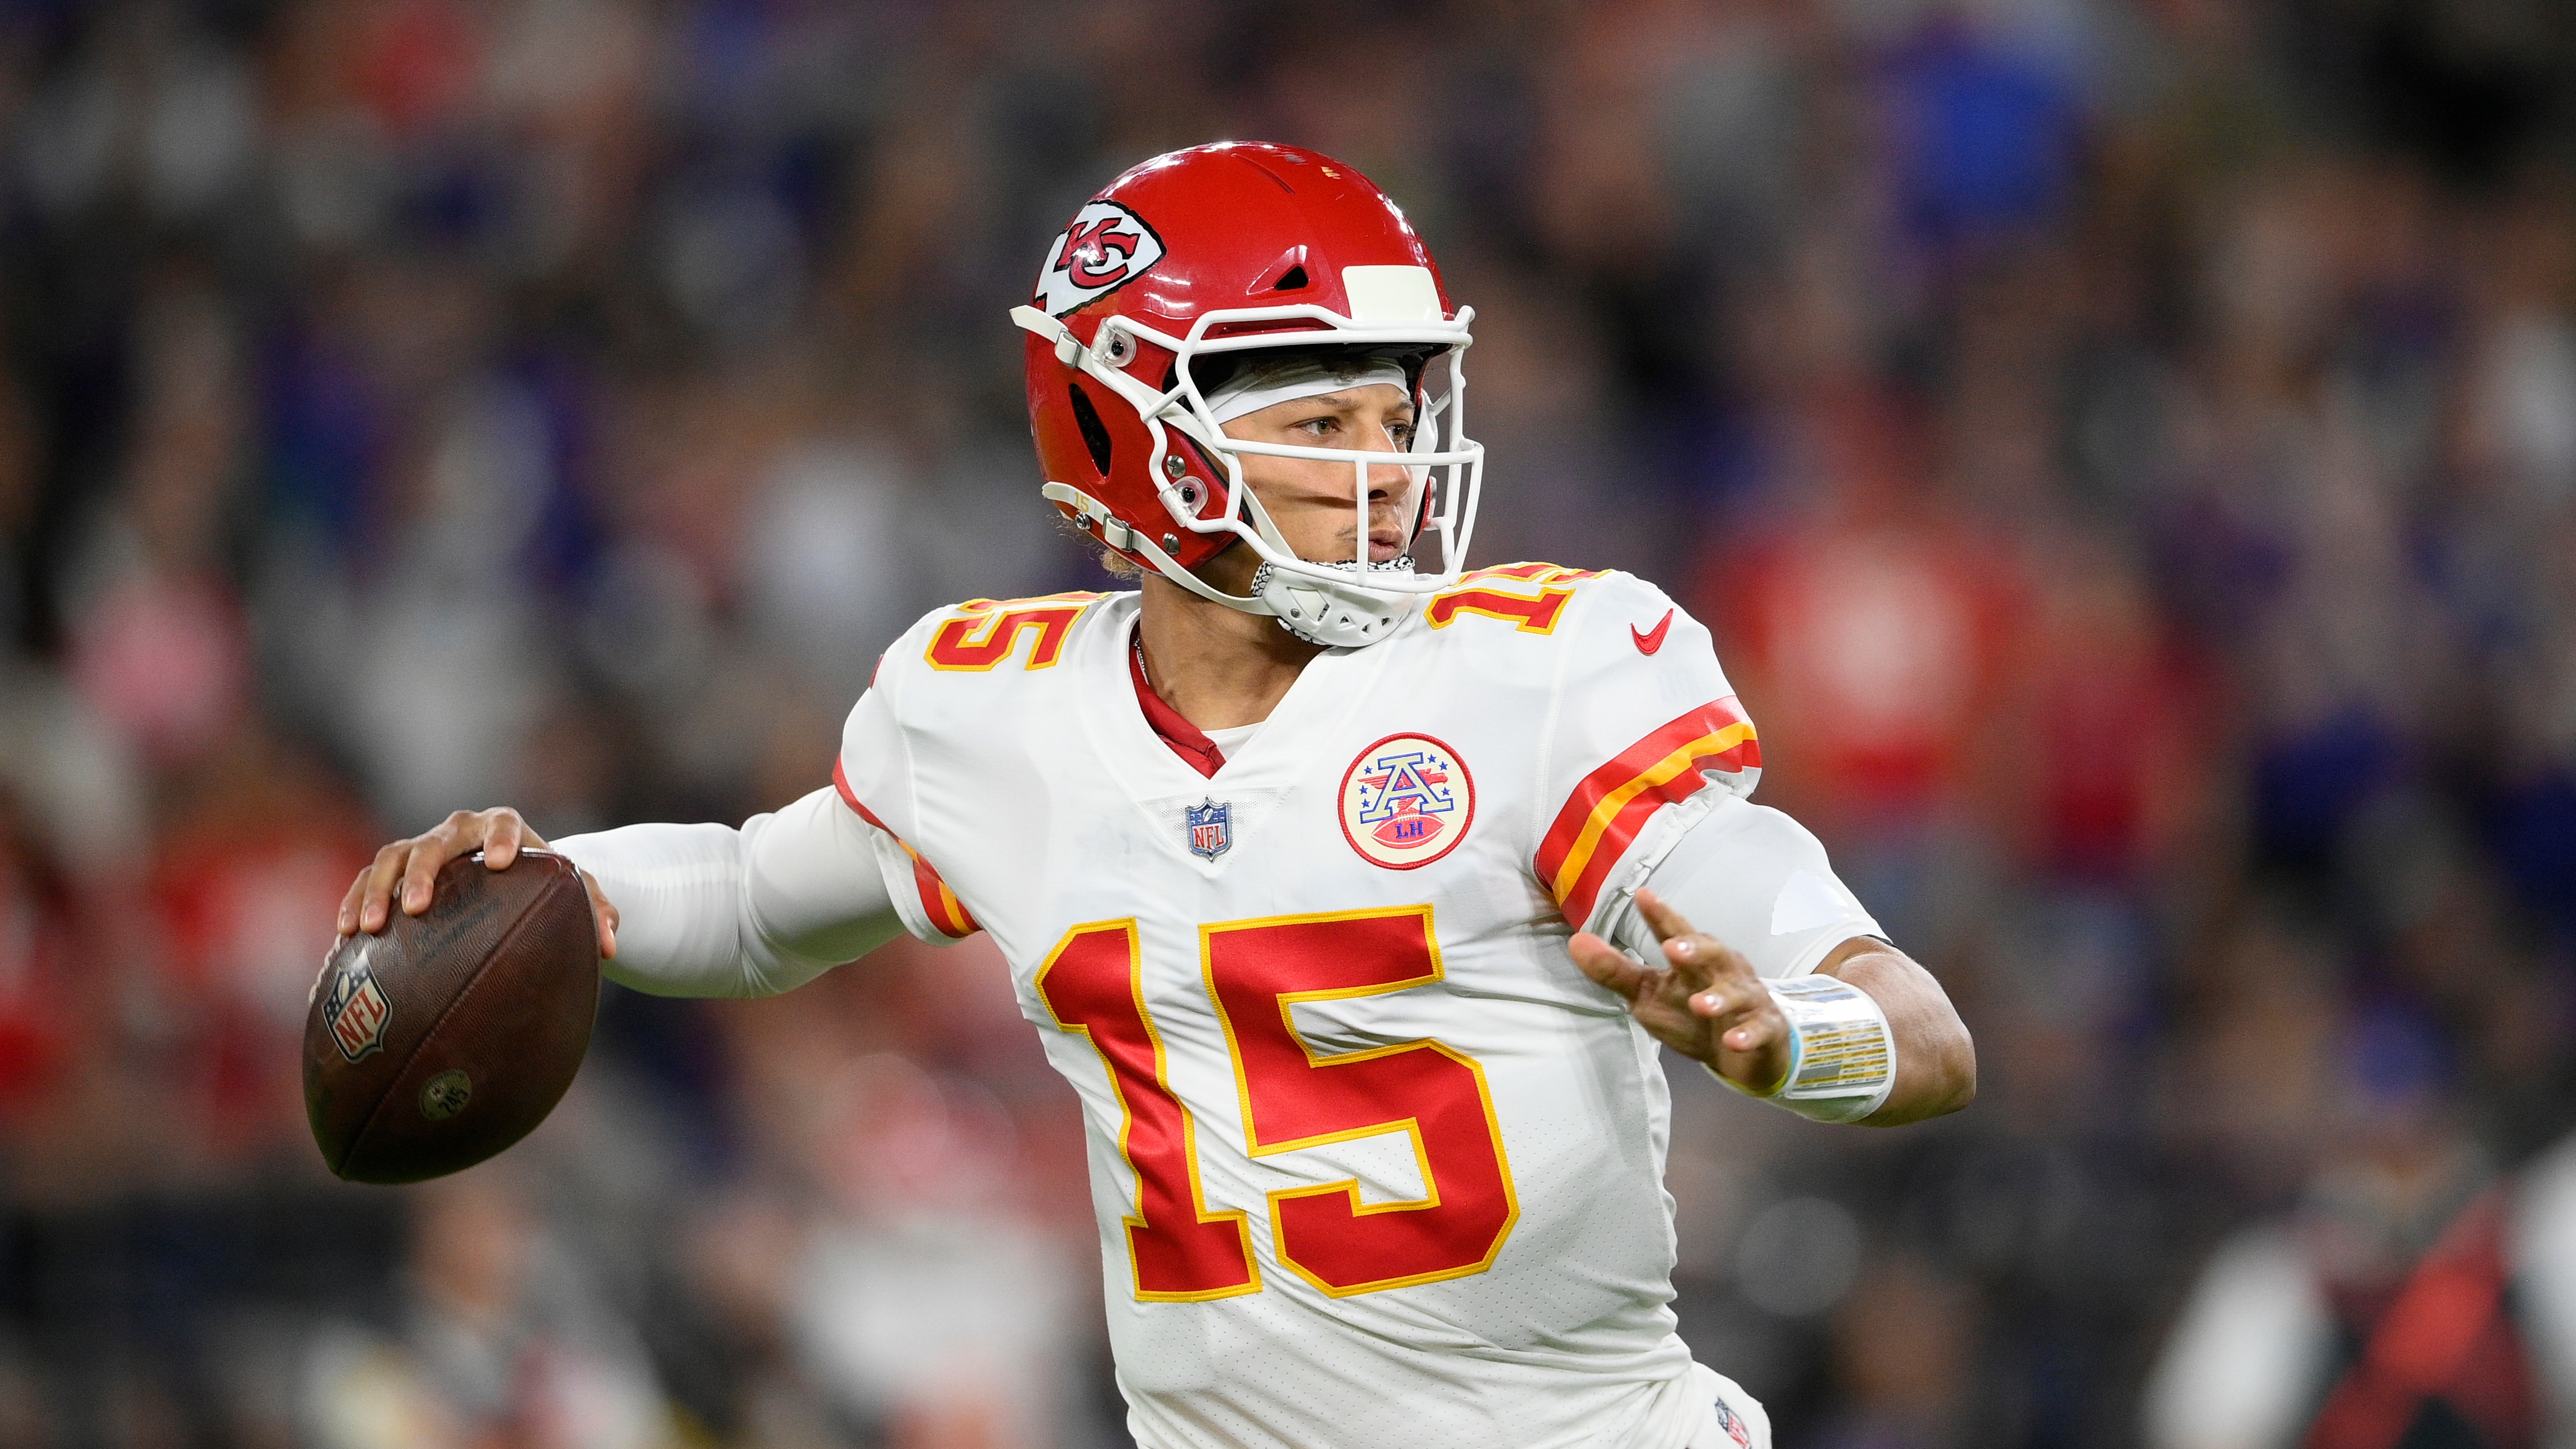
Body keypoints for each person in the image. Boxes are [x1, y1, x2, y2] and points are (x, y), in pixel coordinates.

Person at [335, 142, 1975, 1449]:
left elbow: (1917, 1028)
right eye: (1324, 421)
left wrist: (1791, 1038)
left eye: (1398, 415)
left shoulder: (1548, 670)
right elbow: (762, 898)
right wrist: (547, 885)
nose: (1392, 470)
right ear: (1144, 442)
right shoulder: (992, 706)